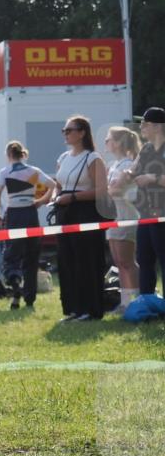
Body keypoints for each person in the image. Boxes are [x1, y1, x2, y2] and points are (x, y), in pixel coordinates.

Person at [52, 115, 109, 322]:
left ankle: (91, 308)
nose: (65, 134)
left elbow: (101, 190)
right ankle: (73, 308)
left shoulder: (93, 158)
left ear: (82, 132)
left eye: (70, 130)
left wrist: (73, 197)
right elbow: (58, 184)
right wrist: (56, 197)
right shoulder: (63, 158)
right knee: (66, 260)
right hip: (64, 212)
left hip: (86, 212)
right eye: (64, 131)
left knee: (87, 260)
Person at [0, 141, 55, 310]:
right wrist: (41, 201)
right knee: (31, 255)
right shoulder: (33, 171)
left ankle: (15, 284)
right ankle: (29, 297)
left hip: (14, 212)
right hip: (30, 212)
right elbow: (53, 185)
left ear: (8, 155)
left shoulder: (5, 172)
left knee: (12, 253)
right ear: (23, 154)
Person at [124, 106, 165, 295]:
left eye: (144, 123)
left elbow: (152, 176)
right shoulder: (147, 148)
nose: (141, 127)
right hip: (146, 214)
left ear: (157, 126)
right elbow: (135, 169)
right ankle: (147, 302)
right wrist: (127, 174)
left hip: (163, 215)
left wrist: (153, 178)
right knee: (144, 259)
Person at [104, 126, 142, 311]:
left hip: (126, 216)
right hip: (113, 218)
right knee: (118, 262)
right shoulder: (113, 165)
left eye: (108, 139)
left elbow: (116, 190)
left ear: (118, 143)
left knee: (127, 261)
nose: (106, 143)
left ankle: (135, 300)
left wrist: (106, 191)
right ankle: (125, 301)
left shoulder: (128, 164)